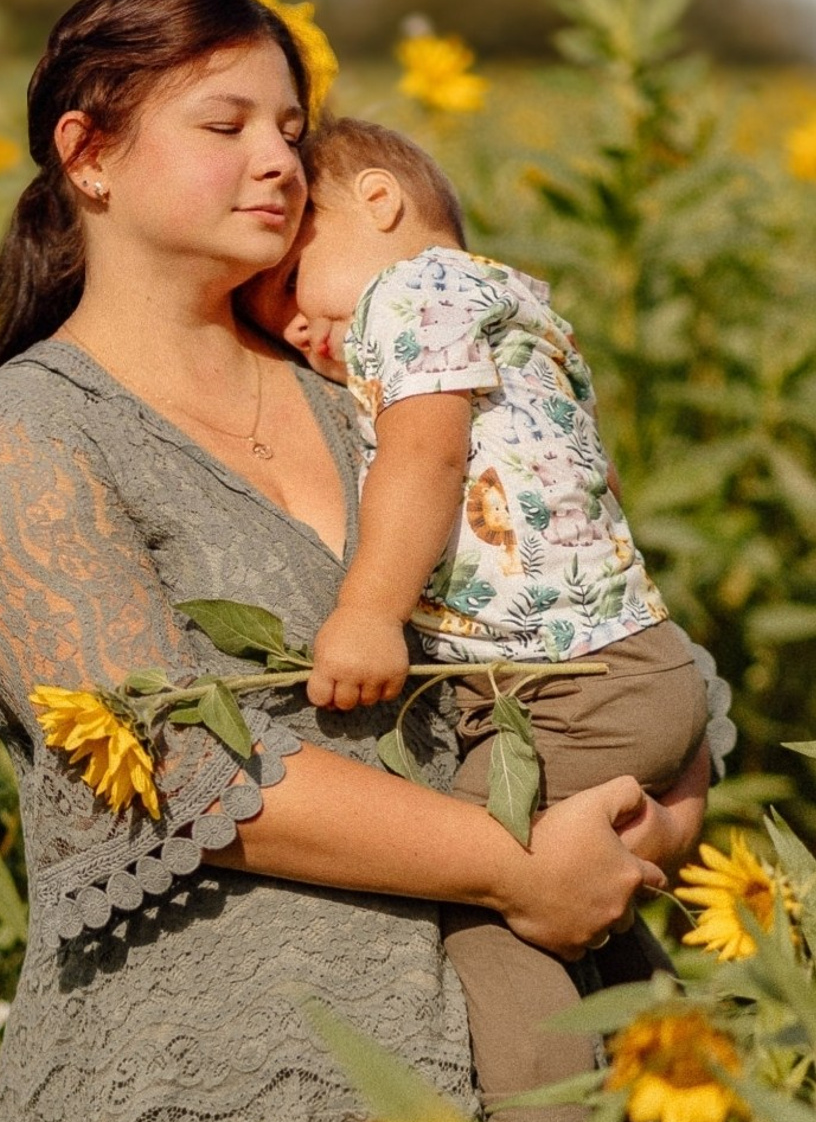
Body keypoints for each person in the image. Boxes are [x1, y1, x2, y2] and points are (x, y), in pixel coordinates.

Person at [0, 0, 710, 1122]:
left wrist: (655, 824)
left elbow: (593, 612)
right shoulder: (14, 444)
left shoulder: (373, 389)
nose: (281, 157)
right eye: (225, 124)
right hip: (220, 1072)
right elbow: (177, 773)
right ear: (87, 153)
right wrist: (516, 865)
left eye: (290, 129)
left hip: (546, 1046)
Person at [238, 116, 711, 1119]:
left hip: (566, 686)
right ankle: (676, 1073)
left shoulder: (410, 291)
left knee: (488, 902)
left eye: (287, 278)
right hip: (628, 663)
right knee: (581, 912)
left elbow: (425, 458)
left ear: (376, 202)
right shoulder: (517, 303)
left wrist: (366, 611)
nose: (285, 320)